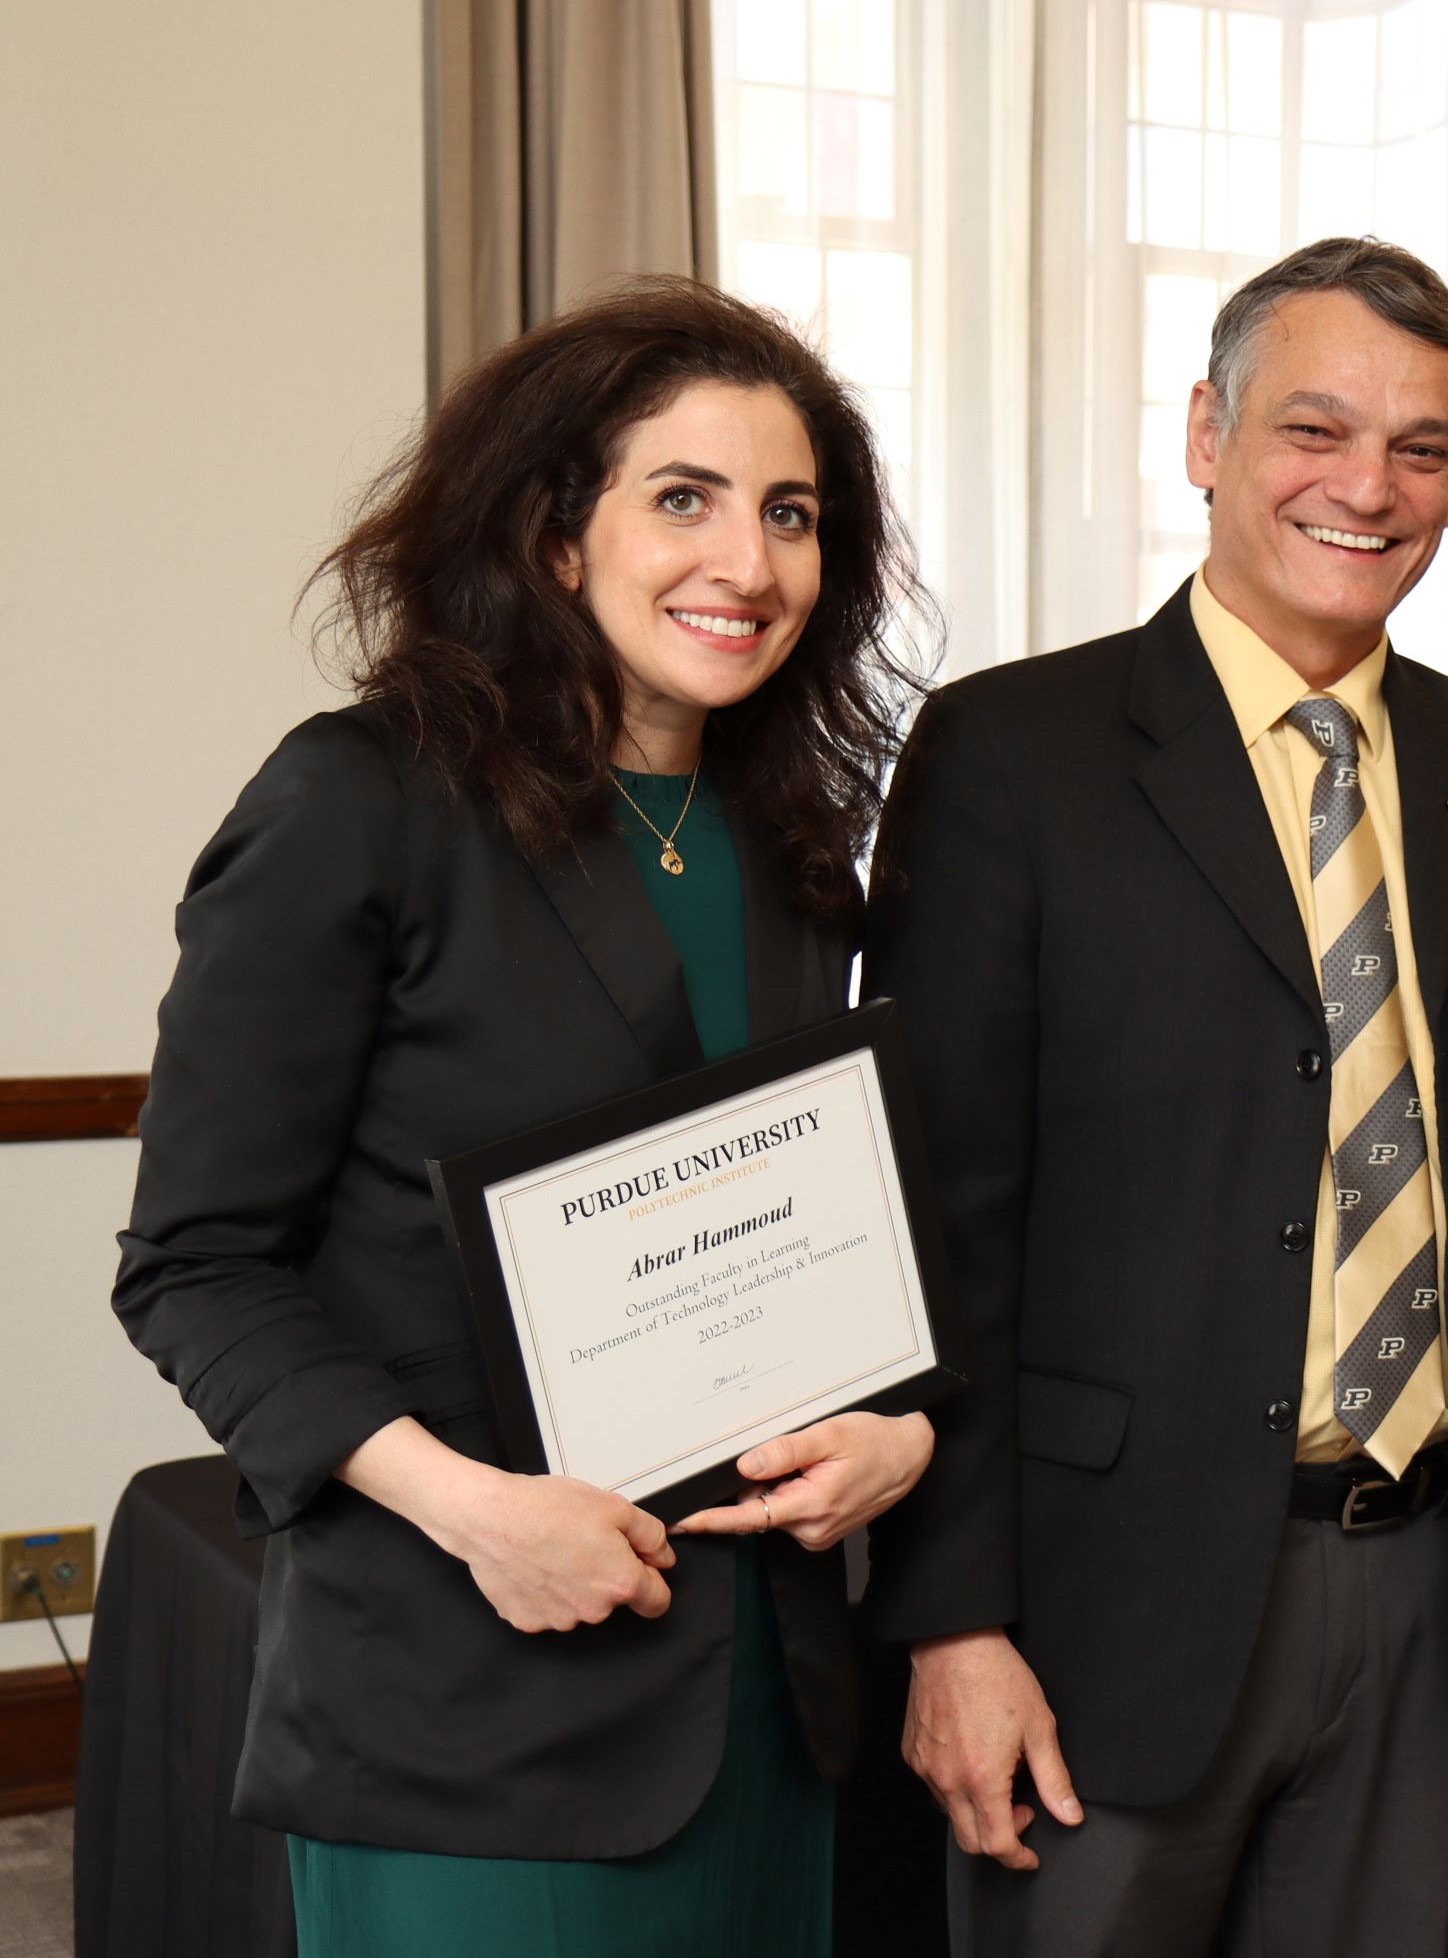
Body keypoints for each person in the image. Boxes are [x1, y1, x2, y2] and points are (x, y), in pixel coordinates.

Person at [111, 277, 940, 1956]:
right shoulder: (357, 802)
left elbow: (804, 1222)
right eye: (684, 498)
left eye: (791, 513)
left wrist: (896, 1428)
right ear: (558, 536)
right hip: (467, 1703)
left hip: (771, 1715)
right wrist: (476, 1510)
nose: (751, 561)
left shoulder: (790, 842)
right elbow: (194, 1264)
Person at [860, 236, 1448, 1957]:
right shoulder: (1012, 754)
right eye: (1317, 428)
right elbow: (936, 1226)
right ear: (1207, 433)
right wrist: (951, 1621)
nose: (1369, 487)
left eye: (1423, 448)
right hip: (1099, 1607)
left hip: (1434, 1589)